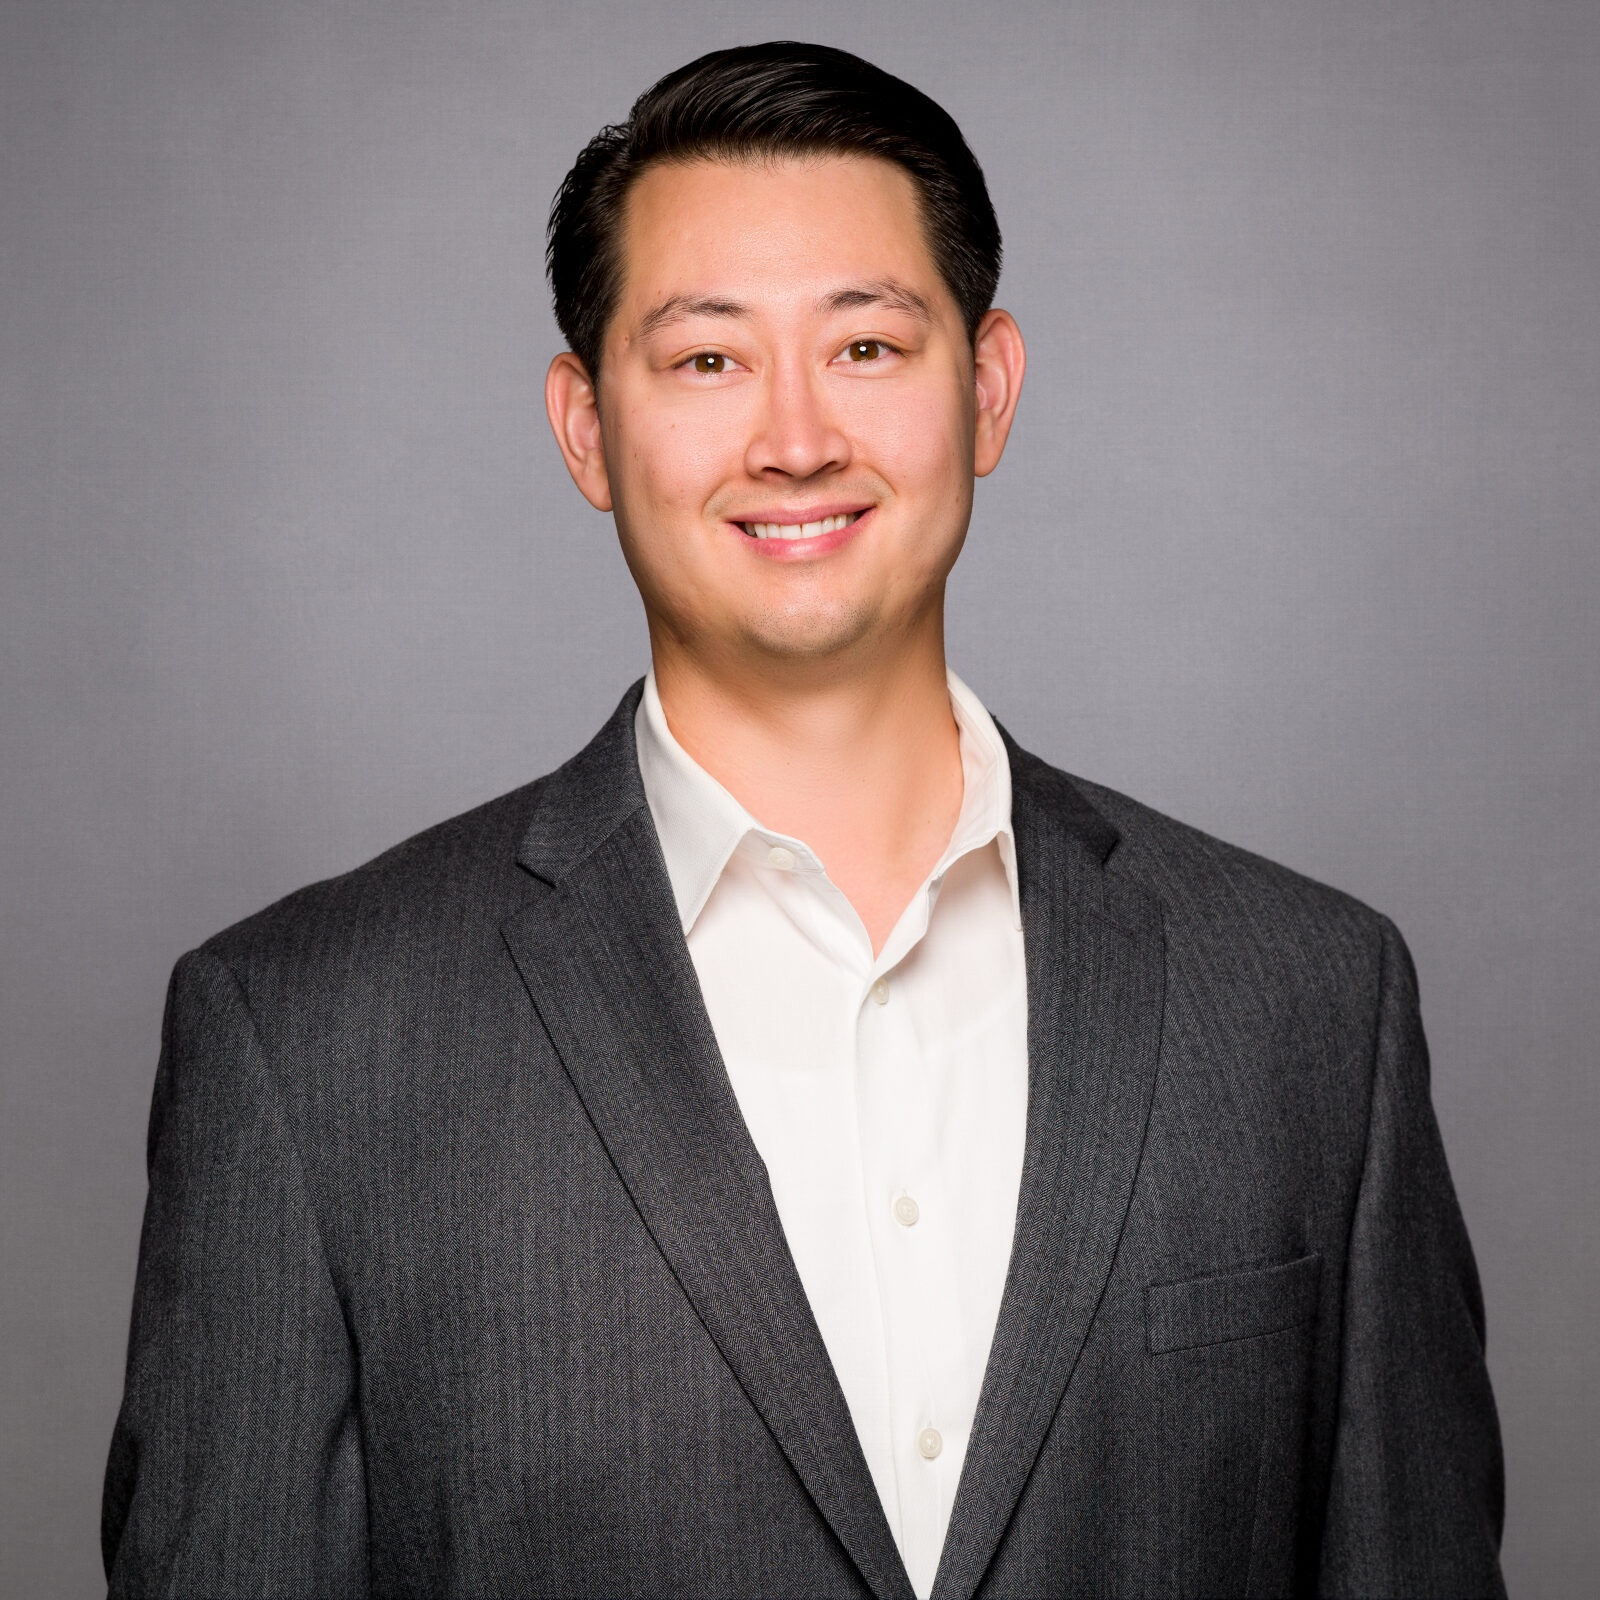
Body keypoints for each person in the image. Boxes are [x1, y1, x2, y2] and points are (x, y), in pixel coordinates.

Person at [101, 40, 1505, 1600]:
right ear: (585, 428)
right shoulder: (305, 1042)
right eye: (707, 360)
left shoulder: (1312, 998)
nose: (794, 438)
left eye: (867, 349)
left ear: (986, 391)